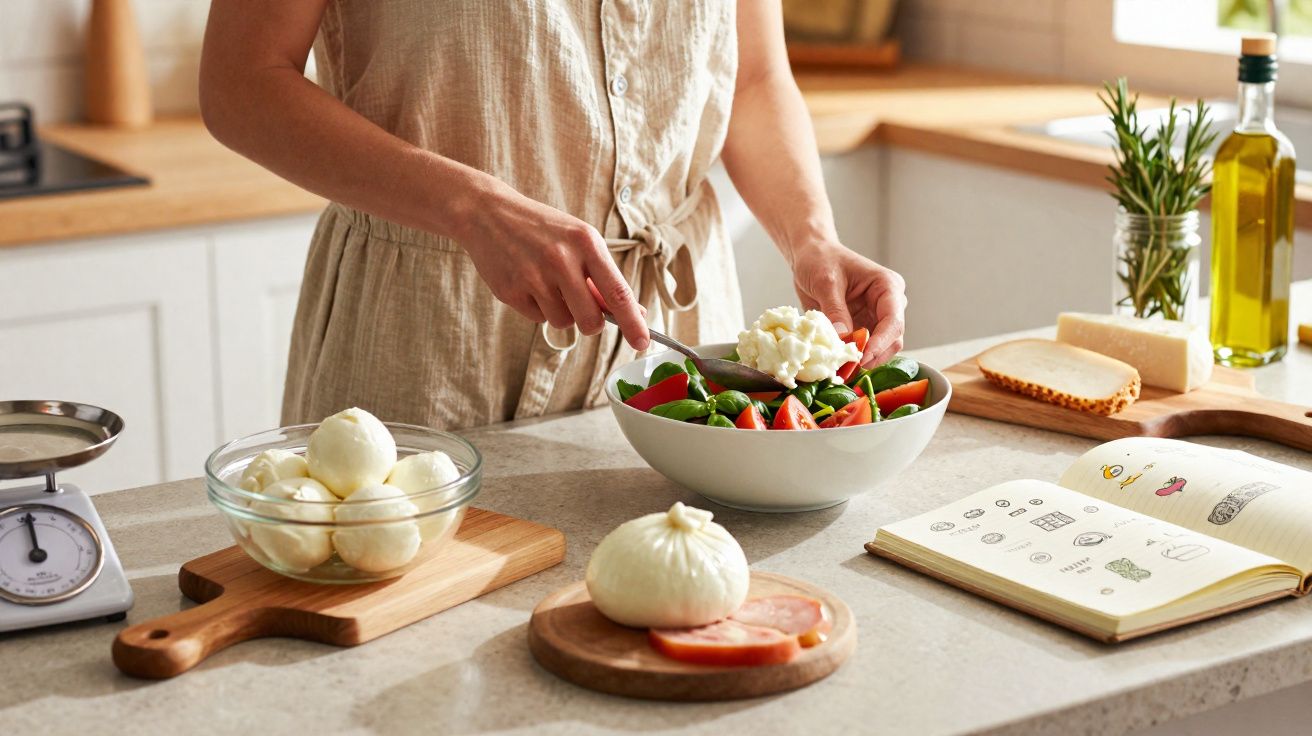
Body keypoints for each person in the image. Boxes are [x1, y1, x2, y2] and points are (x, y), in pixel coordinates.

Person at [199, 0, 906, 429]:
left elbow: (753, 76)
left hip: (677, 346)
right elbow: (241, 83)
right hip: (431, 339)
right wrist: (473, 207)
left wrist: (812, 238)